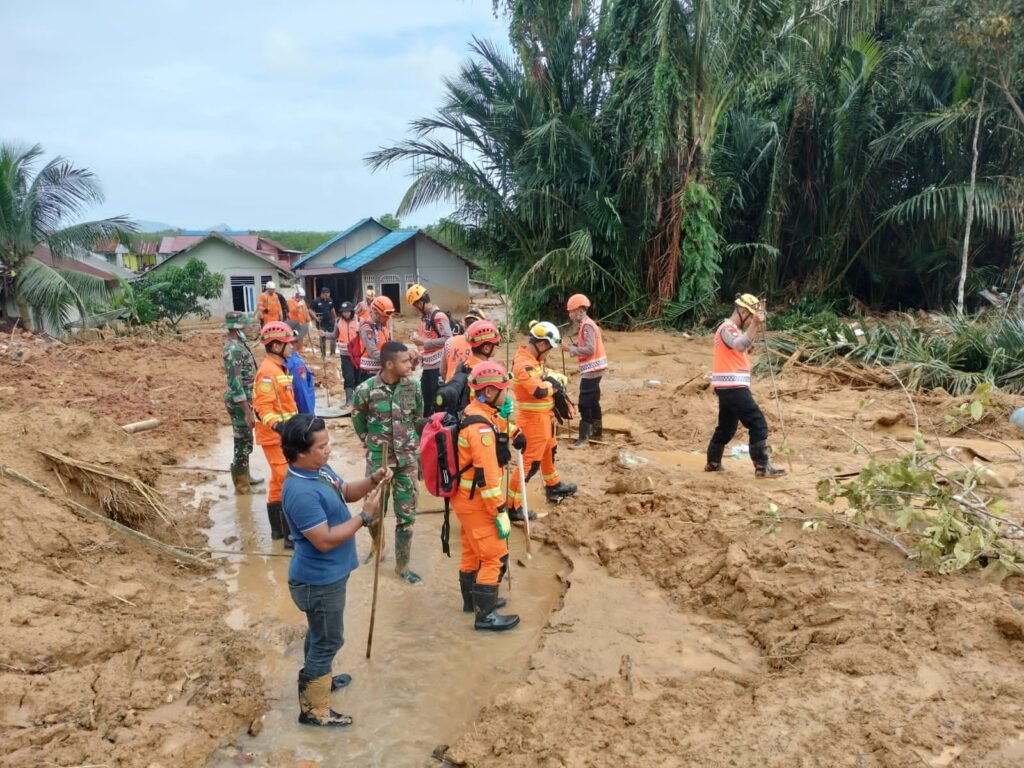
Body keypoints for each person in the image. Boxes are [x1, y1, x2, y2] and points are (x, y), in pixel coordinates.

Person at [280, 414, 389, 727]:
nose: (329, 450)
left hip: (327, 577)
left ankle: (318, 678)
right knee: (328, 640)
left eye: (328, 443)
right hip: (318, 581)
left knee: (319, 634)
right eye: (322, 446)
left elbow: (346, 492)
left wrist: (373, 480)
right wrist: (364, 518)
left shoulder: (318, 470)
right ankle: (314, 710)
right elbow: (324, 541)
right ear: (301, 452)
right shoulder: (300, 491)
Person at [453, 361, 526, 631]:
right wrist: (500, 510)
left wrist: (516, 431)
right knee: (495, 555)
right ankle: (485, 617)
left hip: (466, 499)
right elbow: (487, 478)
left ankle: (472, 602)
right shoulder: (480, 429)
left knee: (472, 551)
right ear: (492, 391)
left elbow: (498, 424)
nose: (508, 394)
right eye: (505, 390)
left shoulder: (478, 411)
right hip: (478, 501)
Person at [351, 341, 424, 584]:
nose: (410, 364)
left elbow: (417, 417)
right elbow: (358, 419)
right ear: (389, 364)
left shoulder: (413, 387)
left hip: (406, 462)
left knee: (407, 515)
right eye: (404, 361)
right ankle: (377, 546)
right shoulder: (366, 390)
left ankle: (402, 566)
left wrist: (410, 445)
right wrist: (369, 441)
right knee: (374, 511)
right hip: (379, 463)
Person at [705, 293, 785, 478]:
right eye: (750, 316)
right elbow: (740, 346)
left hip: (727, 386)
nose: (750, 321)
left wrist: (754, 326)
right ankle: (762, 467)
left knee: (726, 428)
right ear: (742, 311)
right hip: (733, 387)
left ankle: (713, 462)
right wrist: (755, 324)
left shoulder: (732, 330)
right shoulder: (728, 329)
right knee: (758, 424)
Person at [508, 321, 577, 520]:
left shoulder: (535, 361)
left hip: (545, 419)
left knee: (549, 453)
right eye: (549, 350)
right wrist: (554, 387)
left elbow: (543, 377)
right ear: (541, 345)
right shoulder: (524, 364)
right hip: (532, 422)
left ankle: (553, 486)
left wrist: (553, 378)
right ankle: (513, 506)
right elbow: (538, 390)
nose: (548, 354)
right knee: (529, 465)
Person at [253, 321, 299, 548]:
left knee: (277, 482)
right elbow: (263, 407)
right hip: (274, 436)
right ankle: (290, 536)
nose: (292, 347)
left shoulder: (279, 367)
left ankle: (277, 532)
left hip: (283, 434)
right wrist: (278, 427)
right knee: (287, 480)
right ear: (275, 346)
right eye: (287, 344)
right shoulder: (268, 372)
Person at [222, 311, 264, 494]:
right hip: (240, 403)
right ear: (237, 328)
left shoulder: (239, 345)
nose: (248, 328)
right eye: (245, 325)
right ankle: (242, 486)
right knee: (242, 442)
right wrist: (247, 411)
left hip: (246, 400)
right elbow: (235, 383)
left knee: (246, 440)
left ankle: (245, 477)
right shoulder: (234, 349)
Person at [435, 319, 502, 418]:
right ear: (486, 348)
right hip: (478, 419)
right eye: (496, 344)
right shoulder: (484, 373)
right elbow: (481, 399)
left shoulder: (463, 364)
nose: (497, 347)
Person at [566, 294, 608, 449]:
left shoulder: (587, 326)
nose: (570, 315)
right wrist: (576, 344)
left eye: (571, 312)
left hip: (592, 369)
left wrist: (571, 349)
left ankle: (584, 437)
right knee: (593, 400)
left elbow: (590, 349)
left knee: (584, 402)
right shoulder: (587, 325)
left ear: (578, 311)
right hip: (596, 367)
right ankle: (597, 431)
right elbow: (586, 342)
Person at [440, 307, 487, 383]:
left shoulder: (450, 341)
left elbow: (442, 371)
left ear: (464, 324)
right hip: (470, 390)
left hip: (451, 388)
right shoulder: (483, 346)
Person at [356, 296, 395, 382]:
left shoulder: (382, 327)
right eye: (385, 316)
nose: (387, 319)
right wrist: (392, 358)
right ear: (376, 313)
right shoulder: (367, 328)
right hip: (369, 373)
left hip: (381, 371)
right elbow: (372, 352)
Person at [285, 320, 316, 416]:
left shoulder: (286, 358)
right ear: (296, 340)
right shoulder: (296, 363)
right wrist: (309, 420)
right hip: (301, 415)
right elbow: (302, 394)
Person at [335, 301, 359, 405]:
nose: (345, 313)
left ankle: (359, 401)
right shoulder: (338, 322)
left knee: (358, 376)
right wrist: (325, 334)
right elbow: (334, 335)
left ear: (352, 311)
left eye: (347, 311)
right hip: (345, 354)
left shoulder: (359, 321)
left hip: (357, 355)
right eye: (343, 312)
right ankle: (349, 401)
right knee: (348, 377)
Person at [310, 286, 337, 359]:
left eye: (328, 294)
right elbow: (311, 310)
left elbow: (332, 309)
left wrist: (335, 318)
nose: (328, 296)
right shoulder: (316, 301)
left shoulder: (330, 300)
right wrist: (315, 317)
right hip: (321, 323)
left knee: (333, 337)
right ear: (322, 294)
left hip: (330, 321)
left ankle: (333, 353)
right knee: (322, 338)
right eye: (326, 294)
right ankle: (323, 354)